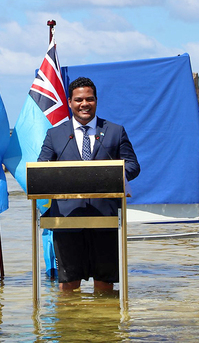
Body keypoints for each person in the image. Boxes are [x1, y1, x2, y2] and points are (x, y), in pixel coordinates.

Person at [38, 77, 140, 291]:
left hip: (105, 217)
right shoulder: (55, 134)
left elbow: (132, 165)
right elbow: (41, 168)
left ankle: (102, 324)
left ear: (96, 101)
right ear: (69, 102)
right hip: (66, 218)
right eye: (79, 100)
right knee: (68, 284)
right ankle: (70, 324)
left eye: (89, 99)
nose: (84, 104)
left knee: (104, 284)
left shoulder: (114, 131)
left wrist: (108, 178)